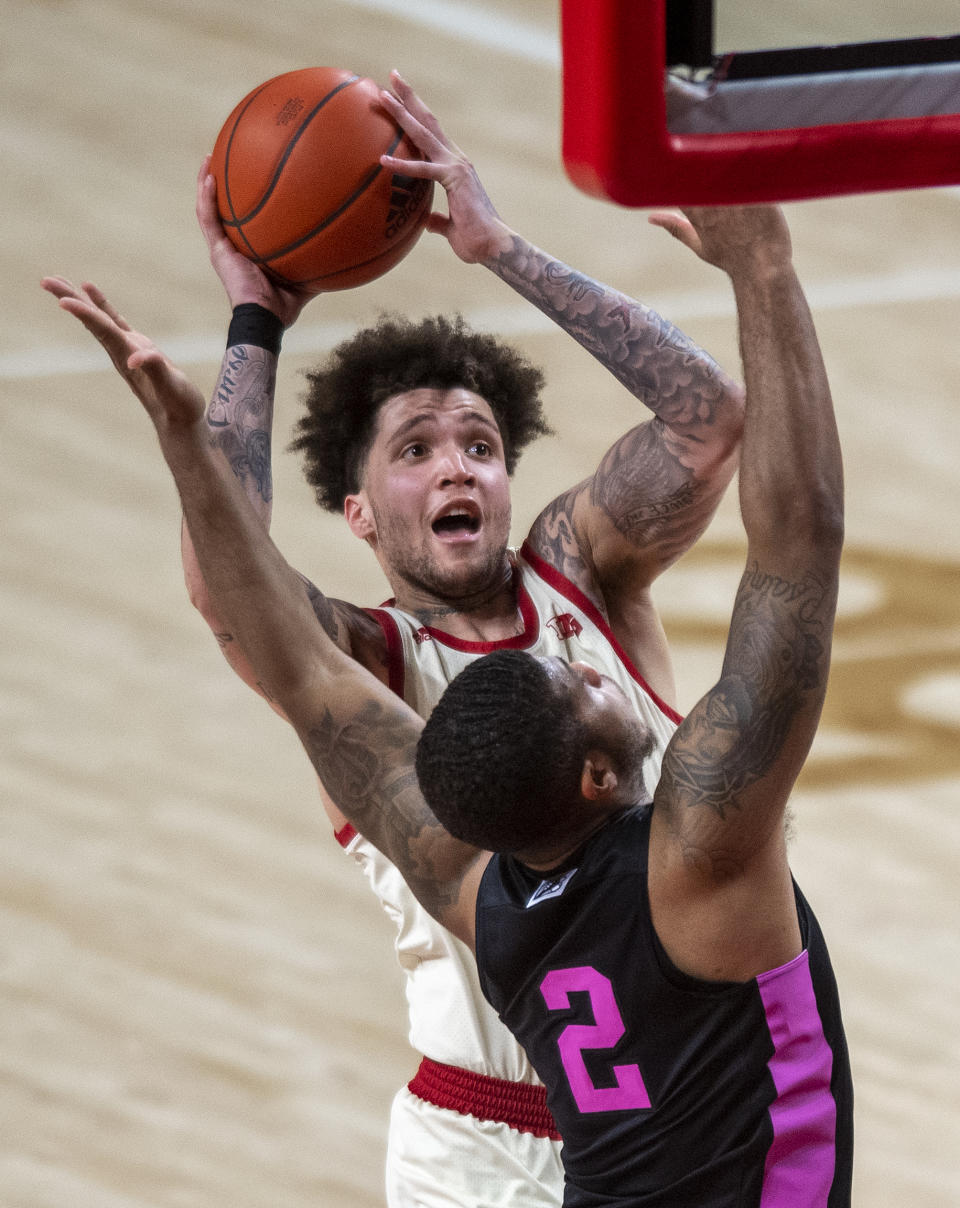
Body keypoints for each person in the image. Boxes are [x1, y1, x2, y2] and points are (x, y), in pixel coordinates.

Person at [48, 200, 852, 1205]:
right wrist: (254, 326)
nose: (455, 463)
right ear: (358, 513)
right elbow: (234, 594)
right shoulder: (371, 653)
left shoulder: (577, 575)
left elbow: (711, 417)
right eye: (415, 449)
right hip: (481, 1135)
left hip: (650, 1071)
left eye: (477, 442)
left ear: (509, 477)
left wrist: (501, 248)